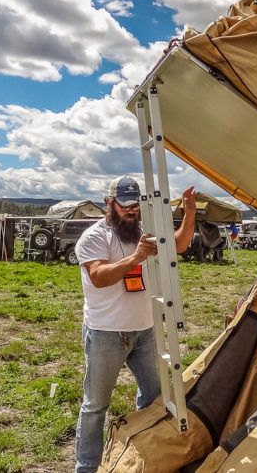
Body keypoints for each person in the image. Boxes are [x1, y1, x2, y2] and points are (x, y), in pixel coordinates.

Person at [74, 176, 195, 473]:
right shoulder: (93, 237)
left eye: (135, 206)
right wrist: (136, 257)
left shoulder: (144, 231)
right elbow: (99, 277)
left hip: (145, 331)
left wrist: (190, 212)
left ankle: (143, 459)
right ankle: (87, 467)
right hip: (106, 333)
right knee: (95, 406)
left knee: (154, 400)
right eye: (125, 206)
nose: (131, 212)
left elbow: (178, 245)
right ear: (109, 203)